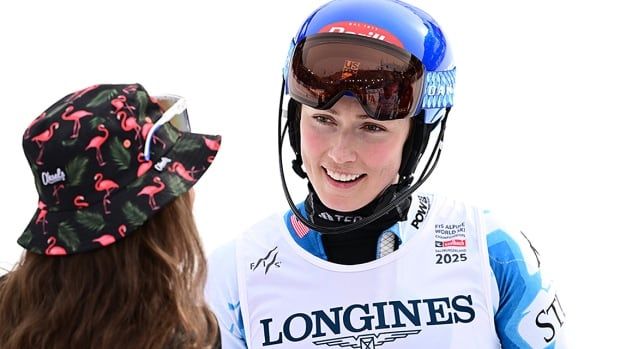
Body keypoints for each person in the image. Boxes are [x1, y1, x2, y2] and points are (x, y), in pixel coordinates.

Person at [206, 0, 567, 348]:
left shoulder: (493, 251)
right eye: (323, 120)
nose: (340, 153)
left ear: (416, 141)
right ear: (294, 121)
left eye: (372, 128)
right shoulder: (232, 277)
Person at [0, 83, 222, 349]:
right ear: (156, 218)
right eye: (180, 184)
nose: (191, 195)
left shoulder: (8, 313)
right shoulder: (185, 335)